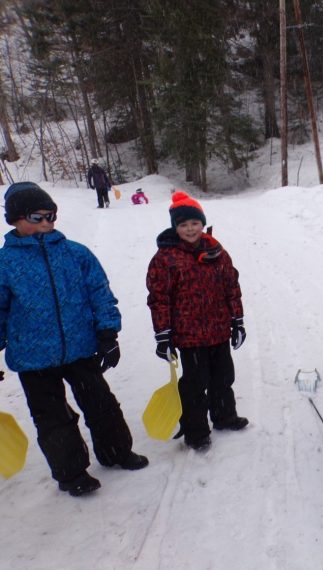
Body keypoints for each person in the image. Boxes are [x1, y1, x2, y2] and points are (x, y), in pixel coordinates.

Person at [0, 182, 148, 497]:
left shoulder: (75, 253)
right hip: (33, 358)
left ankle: (116, 452)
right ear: (15, 219)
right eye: (37, 217)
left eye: (51, 216)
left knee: (102, 405)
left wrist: (108, 332)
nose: (46, 223)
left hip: (80, 348)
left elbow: (99, 292)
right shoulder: (4, 264)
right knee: (53, 419)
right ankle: (71, 474)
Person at [146, 191, 248, 451]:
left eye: (194, 223)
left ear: (202, 223)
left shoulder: (217, 251)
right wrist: (163, 334)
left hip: (218, 329)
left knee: (223, 377)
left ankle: (225, 416)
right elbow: (159, 299)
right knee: (195, 384)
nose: (190, 229)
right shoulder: (165, 258)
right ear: (175, 227)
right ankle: (196, 431)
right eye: (183, 225)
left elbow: (231, 287)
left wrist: (237, 320)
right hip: (189, 336)